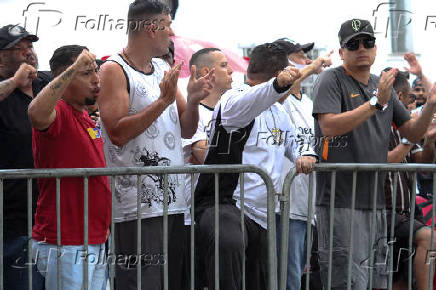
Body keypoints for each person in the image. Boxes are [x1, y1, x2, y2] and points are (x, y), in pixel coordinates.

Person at [97, 1, 214, 289]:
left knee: (171, 282)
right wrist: (163, 101)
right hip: (137, 206)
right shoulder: (114, 69)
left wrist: (195, 99)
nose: (172, 32)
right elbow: (116, 133)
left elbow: (187, 128)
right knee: (140, 282)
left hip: (174, 203)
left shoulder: (162, 67)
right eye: (168, 24)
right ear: (151, 28)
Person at [312, 18, 436, 290]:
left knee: (375, 281)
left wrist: (430, 105)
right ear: (342, 51)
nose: (361, 48)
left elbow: (413, 133)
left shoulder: (383, 86)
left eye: (367, 42)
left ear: (376, 49)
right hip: (340, 200)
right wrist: (375, 103)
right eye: (353, 44)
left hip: (376, 202)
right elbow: (329, 126)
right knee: (345, 282)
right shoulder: (330, 79)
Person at [193, 43, 317, 290]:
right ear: (277, 76)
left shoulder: (280, 113)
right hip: (227, 204)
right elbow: (254, 99)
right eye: (288, 76)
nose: (292, 83)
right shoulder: (233, 98)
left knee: (262, 281)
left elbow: (298, 145)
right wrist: (276, 86)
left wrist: (307, 154)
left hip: (264, 215)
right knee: (228, 243)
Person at [28, 46, 111, 290]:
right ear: (63, 77)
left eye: (95, 71)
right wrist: (74, 69)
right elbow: (35, 112)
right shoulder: (60, 112)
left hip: (93, 238)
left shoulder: (84, 115)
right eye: (86, 73)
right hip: (65, 240)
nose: (96, 79)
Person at [273, 37, 332, 290]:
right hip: (283, 205)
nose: (307, 60)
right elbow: (275, 96)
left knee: (300, 277)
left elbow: (323, 144)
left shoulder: (309, 103)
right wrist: (312, 68)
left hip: (309, 205)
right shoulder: (275, 100)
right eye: (300, 56)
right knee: (288, 279)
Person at [181, 47, 233, 289]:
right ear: (207, 72)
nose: (231, 70)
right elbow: (203, 155)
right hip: (191, 217)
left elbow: (211, 154)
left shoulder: (232, 112)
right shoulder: (192, 112)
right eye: (223, 65)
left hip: (223, 213)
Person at [0, 24, 47, 290]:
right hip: (12, 222)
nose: (27, 53)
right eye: (18, 49)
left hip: (50, 218)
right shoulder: (5, 90)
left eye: (29, 46)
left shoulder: (45, 84)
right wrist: (15, 82)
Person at [383, 68, 436, 290]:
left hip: (407, 210)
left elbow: (423, 163)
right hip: (383, 210)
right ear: (402, 98)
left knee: (402, 280)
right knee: (428, 238)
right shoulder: (380, 126)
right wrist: (409, 138)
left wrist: (431, 140)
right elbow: (388, 160)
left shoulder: (404, 129)